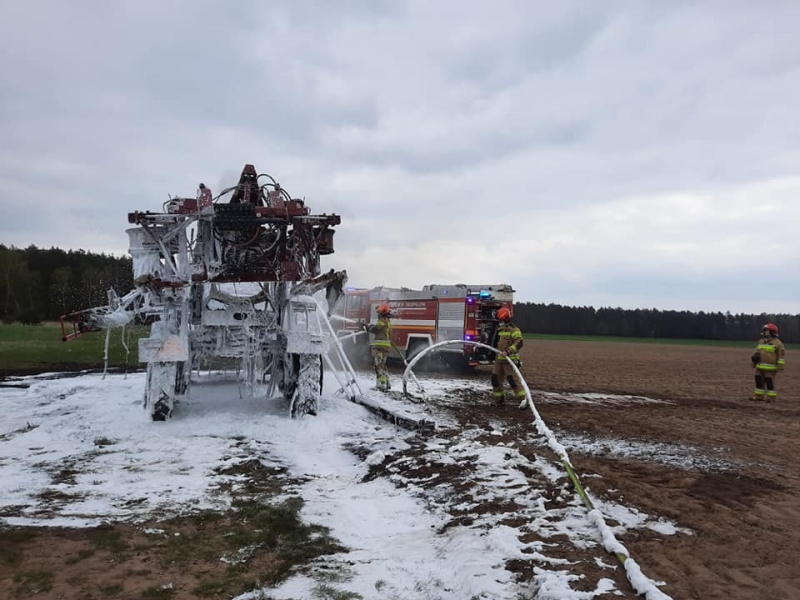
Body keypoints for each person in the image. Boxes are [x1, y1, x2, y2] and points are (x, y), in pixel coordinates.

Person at [491, 307, 526, 406]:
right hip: (499, 361)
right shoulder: (499, 330)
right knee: (495, 379)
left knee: (513, 381)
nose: (499, 322)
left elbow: (519, 343)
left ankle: (523, 400)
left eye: (500, 320)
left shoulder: (514, 330)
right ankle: (499, 400)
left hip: (510, 361)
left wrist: (508, 351)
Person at [751, 323, 786, 402]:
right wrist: (754, 360)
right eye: (765, 330)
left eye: (768, 330)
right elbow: (757, 352)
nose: (766, 332)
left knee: (770, 382)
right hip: (759, 366)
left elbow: (781, 356)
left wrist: (780, 366)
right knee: (758, 380)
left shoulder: (778, 343)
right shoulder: (761, 341)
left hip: (770, 368)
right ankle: (759, 396)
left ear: (773, 332)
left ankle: (771, 397)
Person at [365, 303, 392, 391]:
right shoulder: (387, 321)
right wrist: (370, 326)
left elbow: (375, 329)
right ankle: (387, 383)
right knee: (383, 365)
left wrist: (368, 327)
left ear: (382, 313)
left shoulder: (382, 321)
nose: (377, 315)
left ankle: (381, 384)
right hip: (385, 347)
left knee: (378, 365)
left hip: (381, 347)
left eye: (378, 313)